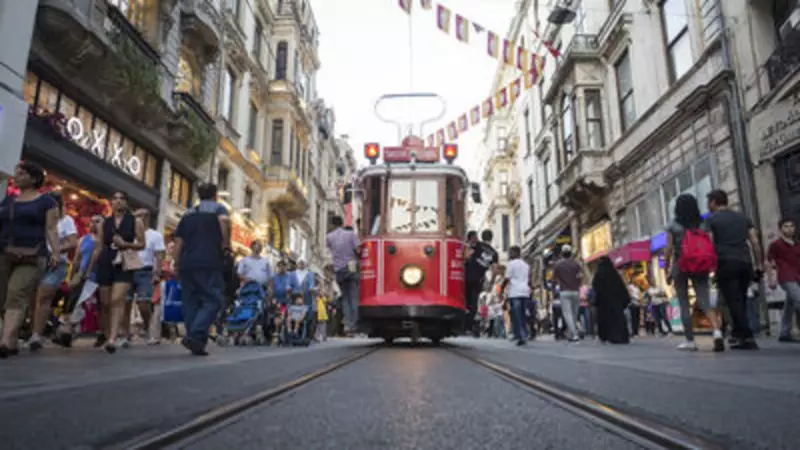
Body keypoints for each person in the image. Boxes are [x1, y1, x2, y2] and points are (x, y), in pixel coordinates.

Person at [0, 161, 60, 358]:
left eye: (21, 173)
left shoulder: (47, 202)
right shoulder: (8, 201)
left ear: (33, 178)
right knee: (2, 297)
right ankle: (11, 340)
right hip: (4, 251)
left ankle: (5, 341)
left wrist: (56, 253)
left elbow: (51, 229)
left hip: (33, 255)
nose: (16, 177)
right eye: (16, 173)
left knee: (16, 294)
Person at [171, 182, 228, 356]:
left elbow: (178, 241)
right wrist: (226, 245)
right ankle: (195, 334)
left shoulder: (189, 214)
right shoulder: (219, 210)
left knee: (191, 302)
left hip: (188, 262)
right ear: (215, 195)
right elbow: (224, 221)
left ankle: (196, 342)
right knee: (213, 300)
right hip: (209, 261)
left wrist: (176, 263)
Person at [86, 191, 145, 353]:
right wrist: (89, 270)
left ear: (126, 203)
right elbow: (98, 247)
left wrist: (126, 244)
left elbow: (142, 244)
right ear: (110, 203)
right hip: (106, 260)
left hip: (124, 261)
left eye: (122, 199)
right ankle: (106, 334)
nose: (118, 201)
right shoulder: (104, 223)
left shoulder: (135, 221)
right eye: (115, 199)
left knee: (116, 300)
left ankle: (113, 337)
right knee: (105, 303)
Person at [664, 193, 722, 352]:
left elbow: (668, 249)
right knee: (704, 300)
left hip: (680, 265)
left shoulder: (673, 225)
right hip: (700, 264)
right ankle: (717, 332)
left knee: (683, 303)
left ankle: (690, 341)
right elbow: (711, 244)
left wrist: (666, 269)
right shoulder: (703, 223)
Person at [706, 189, 762, 350]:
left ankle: (747, 336)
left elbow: (709, 243)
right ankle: (739, 334)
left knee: (733, 301)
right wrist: (758, 265)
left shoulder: (711, 220)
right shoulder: (743, 218)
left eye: (708, 202)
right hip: (745, 261)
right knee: (741, 299)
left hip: (725, 262)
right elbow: (755, 242)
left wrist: (710, 265)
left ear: (713, 202)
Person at [27, 190, 78, 351]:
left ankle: (37, 335)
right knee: (32, 300)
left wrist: (56, 250)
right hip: (36, 260)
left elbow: (73, 242)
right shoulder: (38, 220)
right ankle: (33, 332)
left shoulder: (66, 221)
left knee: (44, 296)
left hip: (56, 264)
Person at [56, 214, 104, 346]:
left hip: (98, 276)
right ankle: (68, 331)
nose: (94, 224)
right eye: (92, 221)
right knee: (76, 302)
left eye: (98, 221)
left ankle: (102, 332)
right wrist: (72, 276)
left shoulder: (105, 241)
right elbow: (77, 259)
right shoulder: (83, 239)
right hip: (82, 276)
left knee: (99, 306)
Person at [121, 208, 165, 347]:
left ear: (146, 217)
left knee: (143, 303)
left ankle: (149, 329)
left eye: (140, 216)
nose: (137, 219)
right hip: (128, 269)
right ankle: (125, 335)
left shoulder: (155, 235)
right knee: (126, 303)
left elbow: (159, 255)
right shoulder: (128, 234)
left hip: (145, 271)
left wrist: (157, 273)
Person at [767, 217, 800, 342]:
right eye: (786, 226)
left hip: (797, 276)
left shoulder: (798, 244)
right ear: (781, 229)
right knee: (799, 300)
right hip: (786, 277)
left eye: (791, 226)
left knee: (790, 304)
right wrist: (771, 279)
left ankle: (784, 332)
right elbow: (768, 262)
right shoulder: (776, 245)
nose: (789, 229)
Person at [326, 215, 360, 335]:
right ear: (342, 223)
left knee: (345, 297)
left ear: (332, 224)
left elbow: (331, 249)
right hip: (351, 266)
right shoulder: (351, 235)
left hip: (339, 269)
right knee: (353, 296)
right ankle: (354, 323)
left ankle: (348, 324)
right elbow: (358, 250)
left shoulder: (329, 237)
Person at [464, 229, 499, 336]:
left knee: (466, 300)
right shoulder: (494, 253)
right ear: (491, 238)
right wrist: (491, 283)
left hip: (468, 275)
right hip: (479, 279)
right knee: (474, 302)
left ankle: (464, 323)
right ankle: (470, 325)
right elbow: (495, 270)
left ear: (482, 237)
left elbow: (467, 255)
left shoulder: (477, 245)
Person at [591, 256, 630, 344]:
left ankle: (606, 336)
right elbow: (622, 289)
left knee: (605, 319)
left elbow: (596, 288)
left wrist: (596, 301)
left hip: (603, 303)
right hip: (616, 302)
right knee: (618, 319)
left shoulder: (598, 275)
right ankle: (620, 336)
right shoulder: (614, 275)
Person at [551, 245, 582, 342]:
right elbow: (580, 276)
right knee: (574, 313)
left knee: (567, 314)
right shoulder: (576, 264)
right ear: (570, 253)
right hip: (575, 291)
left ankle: (574, 334)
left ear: (562, 254)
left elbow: (553, 280)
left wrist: (553, 291)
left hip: (564, 291)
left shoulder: (558, 265)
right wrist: (578, 284)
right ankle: (571, 333)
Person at [501, 245, 531, 346]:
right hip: (525, 291)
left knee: (516, 315)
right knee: (522, 314)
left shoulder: (511, 264)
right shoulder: (526, 265)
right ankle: (524, 334)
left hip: (515, 292)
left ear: (514, 253)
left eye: (510, 252)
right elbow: (529, 279)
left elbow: (507, 278)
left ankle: (521, 336)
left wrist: (502, 288)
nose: (509, 255)